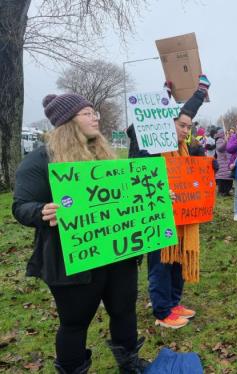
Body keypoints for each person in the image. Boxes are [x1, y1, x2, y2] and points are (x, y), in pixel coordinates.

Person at [13, 93, 148, 373]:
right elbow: (20, 206)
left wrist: (152, 197)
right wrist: (41, 211)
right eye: (87, 113)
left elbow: (124, 199)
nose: (95, 117)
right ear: (67, 122)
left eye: (94, 112)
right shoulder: (40, 160)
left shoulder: (106, 157)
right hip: (72, 259)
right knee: (74, 323)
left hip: (117, 253)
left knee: (124, 311)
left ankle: (130, 363)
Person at [128, 76, 211, 330]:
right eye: (182, 126)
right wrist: (164, 94)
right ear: (165, 124)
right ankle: (162, 310)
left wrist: (200, 93)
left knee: (177, 261)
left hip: (182, 217)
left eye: (189, 127)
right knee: (161, 264)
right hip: (158, 215)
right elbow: (138, 178)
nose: (186, 131)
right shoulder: (150, 147)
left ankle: (174, 302)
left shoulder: (185, 150)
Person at [214, 129, 233, 196]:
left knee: (228, 178)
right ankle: (222, 192)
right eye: (225, 133)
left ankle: (227, 191)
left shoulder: (229, 139)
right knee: (222, 178)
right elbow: (220, 148)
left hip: (228, 161)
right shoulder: (219, 140)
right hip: (222, 162)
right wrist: (226, 141)